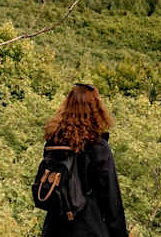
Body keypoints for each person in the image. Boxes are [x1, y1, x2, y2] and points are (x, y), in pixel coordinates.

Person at [41, 83, 129, 237]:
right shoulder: (98, 147)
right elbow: (112, 201)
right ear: (96, 109)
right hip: (89, 228)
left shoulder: (53, 142)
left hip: (54, 228)